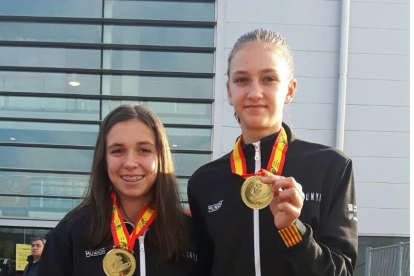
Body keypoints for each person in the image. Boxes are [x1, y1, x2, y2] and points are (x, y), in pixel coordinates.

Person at [188, 29, 357, 276]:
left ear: (289, 90)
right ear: (229, 92)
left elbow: (341, 272)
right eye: (242, 80)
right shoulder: (204, 182)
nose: (255, 92)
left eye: (269, 79)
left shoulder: (331, 167)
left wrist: (293, 230)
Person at [38, 104, 197, 276]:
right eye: (117, 151)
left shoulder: (191, 233)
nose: (130, 163)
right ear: (104, 160)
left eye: (144, 150)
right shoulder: (70, 232)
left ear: (160, 157)